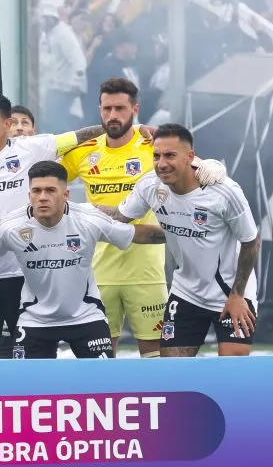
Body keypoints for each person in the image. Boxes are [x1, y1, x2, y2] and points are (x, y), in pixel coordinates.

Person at [0, 92, 141, 358]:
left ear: (7, 124)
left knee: (24, 356)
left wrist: (134, 129)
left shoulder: (33, 147)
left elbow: (80, 135)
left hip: (26, 273)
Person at [59, 78, 227, 357]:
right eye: (107, 108)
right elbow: (41, 176)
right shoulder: (84, 152)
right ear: (99, 109)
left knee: (155, 357)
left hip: (147, 272)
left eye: (120, 109)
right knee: (100, 359)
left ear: (135, 108)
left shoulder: (153, 147)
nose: (113, 116)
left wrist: (213, 165)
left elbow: (194, 165)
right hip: (99, 273)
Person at [0, 161, 166, 359]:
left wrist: (183, 233)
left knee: (103, 383)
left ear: (66, 195)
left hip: (86, 316)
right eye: (36, 191)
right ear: (29, 196)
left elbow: (136, 234)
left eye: (50, 190)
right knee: (32, 387)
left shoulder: (88, 219)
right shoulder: (10, 227)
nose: (43, 197)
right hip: (35, 320)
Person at [110, 123, 261, 357]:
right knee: (173, 374)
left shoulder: (223, 191)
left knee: (234, 372)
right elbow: (119, 217)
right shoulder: (150, 186)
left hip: (230, 290)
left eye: (170, 155)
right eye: (157, 156)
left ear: (191, 156)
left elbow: (251, 243)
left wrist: (237, 296)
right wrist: (73, 211)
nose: (162, 163)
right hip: (186, 292)